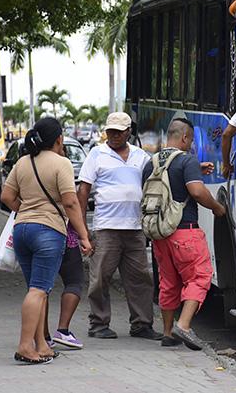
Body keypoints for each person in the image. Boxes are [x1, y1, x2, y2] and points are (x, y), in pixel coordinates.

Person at [0, 117, 92, 365]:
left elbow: (7, 196)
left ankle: (42, 345)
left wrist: (26, 210)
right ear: (59, 139)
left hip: (22, 230)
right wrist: (83, 235)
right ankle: (25, 346)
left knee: (36, 290)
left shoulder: (23, 162)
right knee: (39, 290)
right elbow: (71, 202)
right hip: (48, 231)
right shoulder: (61, 163)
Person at [77, 112, 162, 341]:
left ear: (128, 132)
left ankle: (142, 324)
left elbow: (155, 181)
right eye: (110, 131)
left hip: (134, 228)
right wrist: (83, 228)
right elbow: (83, 190)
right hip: (106, 227)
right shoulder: (97, 154)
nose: (113, 135)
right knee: (100, 278)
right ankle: (98, 323)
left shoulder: (140, 156)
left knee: (140, 278)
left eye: (118, 131)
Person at [142, 118, 226, 350]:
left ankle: (168, 333)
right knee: (199, 276)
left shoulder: (151, 163)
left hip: (160, 235)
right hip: (185, 232)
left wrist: (195, 169)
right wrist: (217, 208)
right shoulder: (187, 160)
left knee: (168, 282)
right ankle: (185, 325)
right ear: (185, 138)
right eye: (189, 141)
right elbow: (197, 192)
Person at [43, 222, 86, 349]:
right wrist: (84, 236)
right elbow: (71, 205)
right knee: (74, 282)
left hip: (31, 233)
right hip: (63, 236)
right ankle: (63, 330)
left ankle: (43, 337)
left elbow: (7, 200)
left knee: (39, 288)